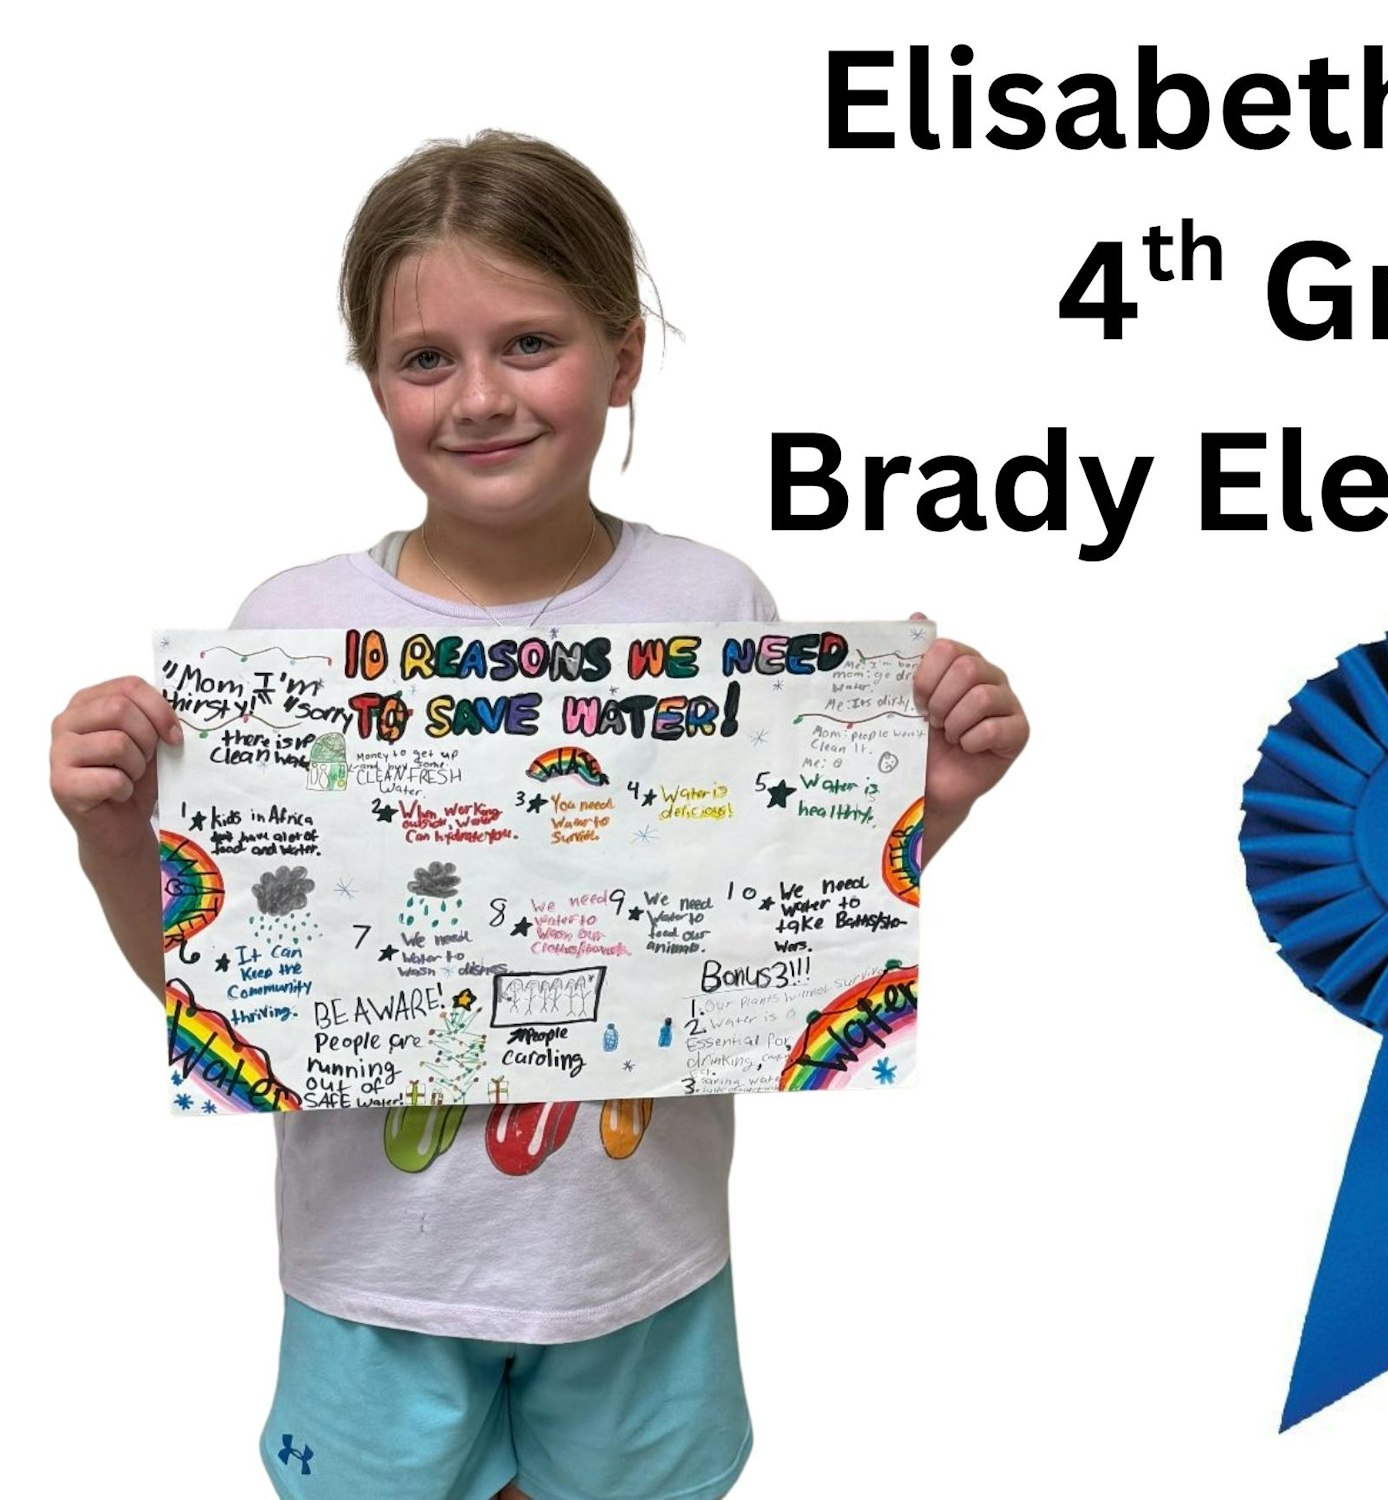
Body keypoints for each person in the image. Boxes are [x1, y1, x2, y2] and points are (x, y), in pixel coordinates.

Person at [47, 129, 1028, 1500]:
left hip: (637, 1266)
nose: (478, 398)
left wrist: (922, 806)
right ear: (374, 381)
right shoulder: (291, 632)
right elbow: (217, 991)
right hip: (379, 1279)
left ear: (624, 358)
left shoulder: (717, 612)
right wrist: (111, 838)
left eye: (530, 343)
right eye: (425, 359)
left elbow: (777, 923)